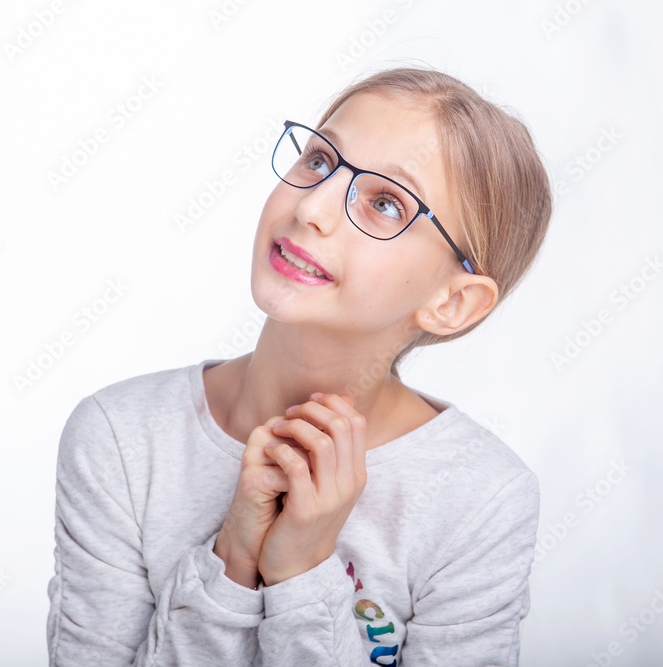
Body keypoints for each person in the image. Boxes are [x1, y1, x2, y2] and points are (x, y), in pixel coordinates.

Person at [46, 64, 552, 666]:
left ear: (452, 302)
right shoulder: (120, 437)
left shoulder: (483, 498)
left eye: (386, 203)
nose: (312, 206)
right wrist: (232, 561)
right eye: (319, 160)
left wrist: (302, 573)